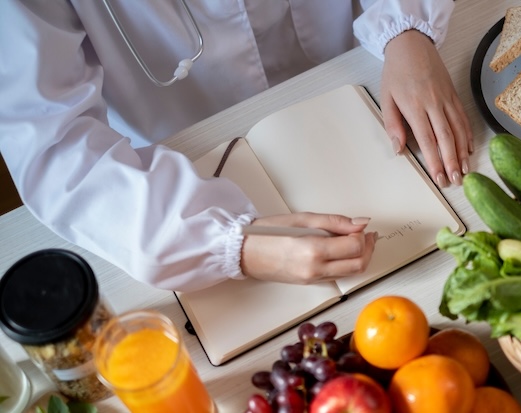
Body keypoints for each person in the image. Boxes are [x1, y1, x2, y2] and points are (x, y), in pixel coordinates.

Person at [0, 0, 472, 292]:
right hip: (176, 168)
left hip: (362, 65)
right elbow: (51, 145)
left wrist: (408, 25)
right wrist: (222, 246)